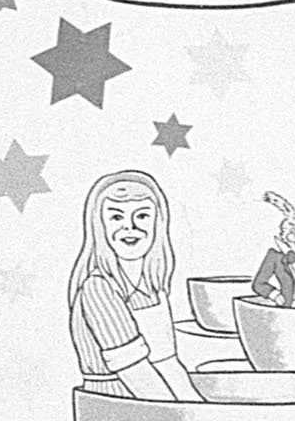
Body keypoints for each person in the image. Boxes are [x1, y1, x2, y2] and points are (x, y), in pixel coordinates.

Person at [66, 170, 197, 400]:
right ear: (99, 226)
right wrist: (186, 417)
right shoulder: (98, 289)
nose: (130, 227)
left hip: (152, 407)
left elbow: (168, 364)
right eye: (117, 217)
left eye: (142, 216)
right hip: (116, 407)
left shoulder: (153, 288)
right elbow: (135, 373)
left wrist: (201, 409)